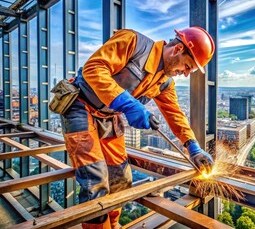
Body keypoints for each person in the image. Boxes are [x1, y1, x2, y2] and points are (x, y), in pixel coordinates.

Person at [60, 27, 215, 229]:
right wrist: (129, 104)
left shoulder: (165, 81)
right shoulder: (133, 42)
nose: (185, 74)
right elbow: (94, 68)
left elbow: (174, 114)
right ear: (177, 49)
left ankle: (112, 225)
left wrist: (192, 146)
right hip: (80, 107)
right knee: (95, 182)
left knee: (120, 178)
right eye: (187, 66)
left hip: (108, 116)